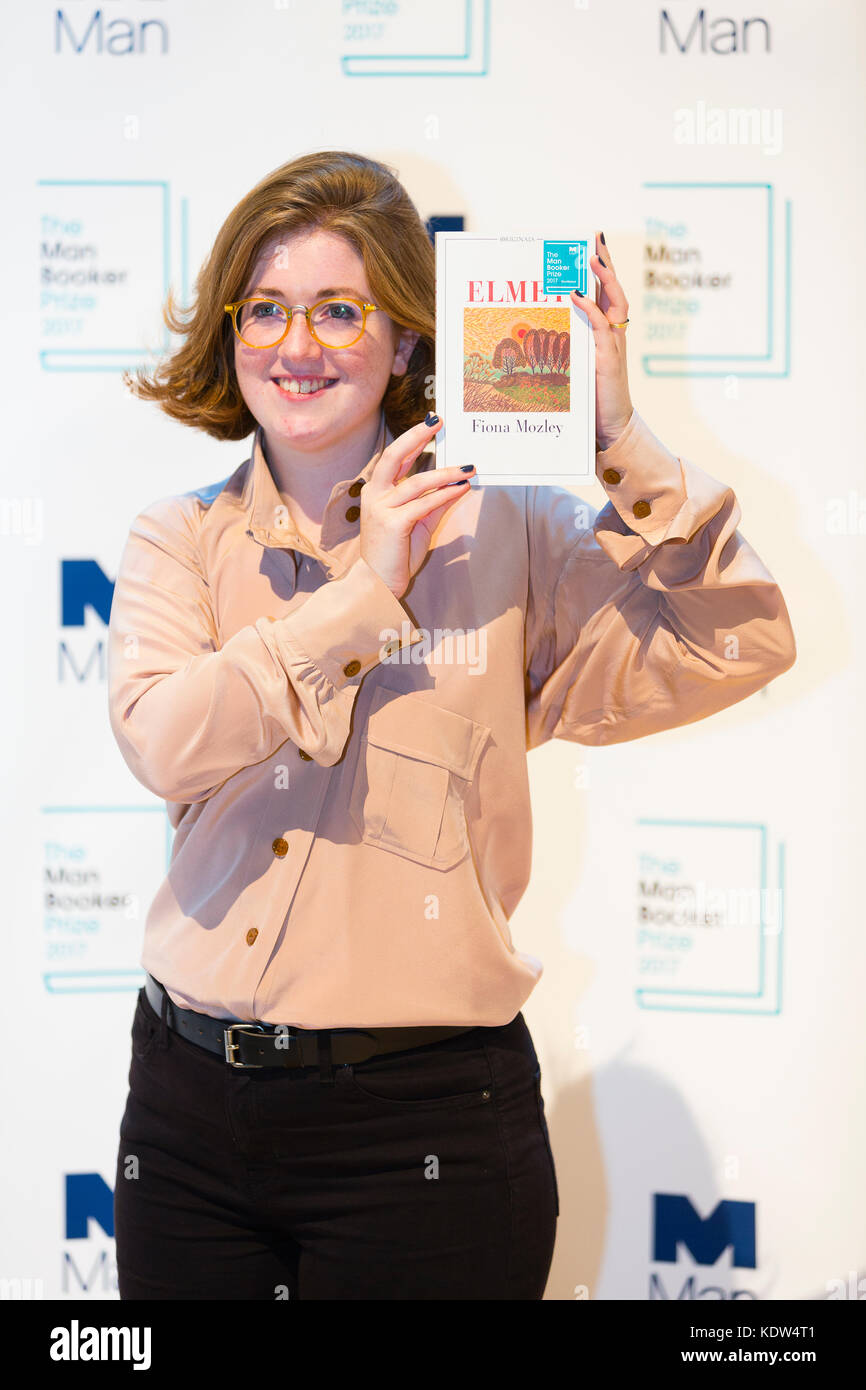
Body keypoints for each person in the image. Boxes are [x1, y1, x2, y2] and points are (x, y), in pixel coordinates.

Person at [107, 149, 796, 1301]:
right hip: (186, 1121)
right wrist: (362, 593)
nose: (298, 344)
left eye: (340, 310)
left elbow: (733, 640)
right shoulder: (178, 538)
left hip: (422, 1136)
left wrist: (617, 439)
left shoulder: (508, 532)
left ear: (409, 341)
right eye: (265, 309)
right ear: (231, 334)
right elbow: (163, 741)